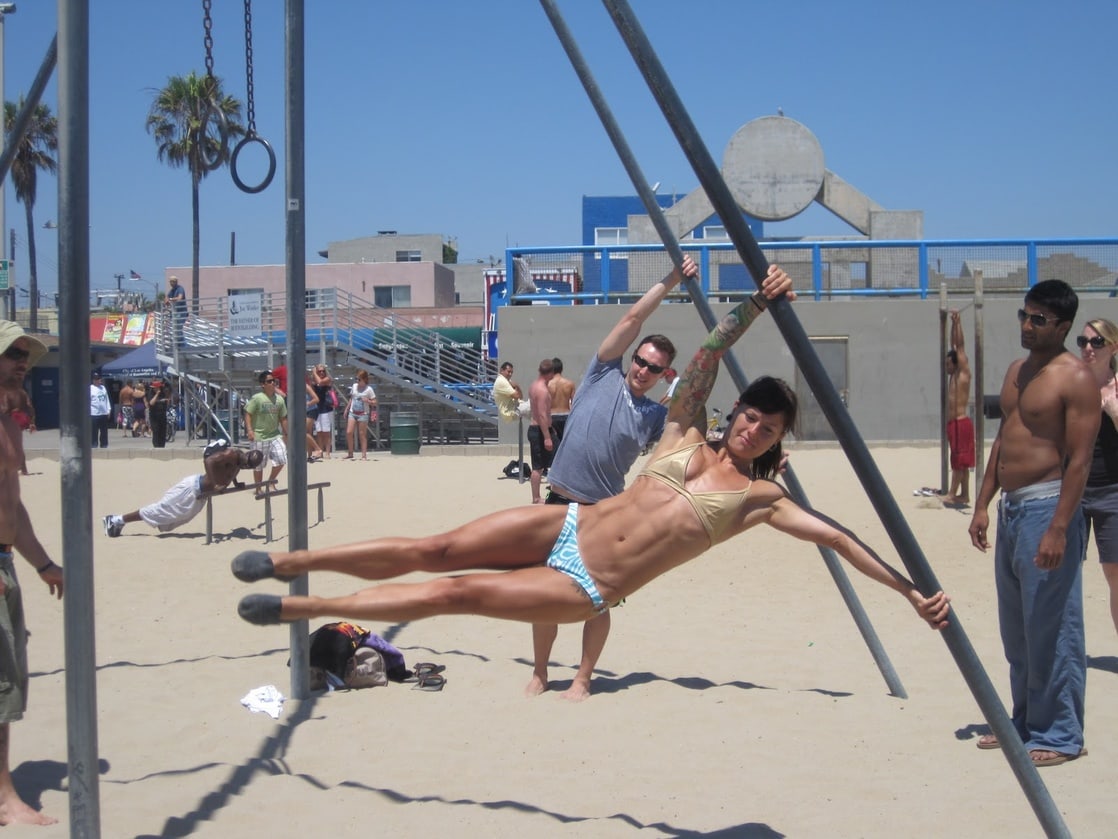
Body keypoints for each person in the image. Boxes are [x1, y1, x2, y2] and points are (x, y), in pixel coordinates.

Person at [232, 291, 951, 648]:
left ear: (776, 440)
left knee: (454, 592)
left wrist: (913, 591)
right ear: (735, 413)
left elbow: (839, 538)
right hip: (568, 521)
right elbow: (706, 354)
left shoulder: (760, 499)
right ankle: (290, 562)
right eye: (750, 416)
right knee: (438, 547)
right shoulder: (682, 432)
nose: (752, 429)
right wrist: (756, 304)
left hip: (588, 582)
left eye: (767, 428)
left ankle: (303, 609)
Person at [527, 256, 788, 700]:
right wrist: (672, 280)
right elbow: (632, 318)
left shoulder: (653, 415)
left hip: (602, 512)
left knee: (596, 599)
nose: (643, 370)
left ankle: (583, 678)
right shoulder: (602, 374)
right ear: (631, 358)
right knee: (542, 594)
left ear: (664, 374)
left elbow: (698, 442)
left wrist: (759, 455)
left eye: (654, 368)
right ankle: (539, 672)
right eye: (641, 361)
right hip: (557, 501)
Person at [968, 280, 1098, 767]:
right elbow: (1004, 439)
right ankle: (1023, 723)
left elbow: (1080, 459)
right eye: (1024, 314)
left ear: (1062, 326)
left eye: (1039, 319)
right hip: (1012, 509)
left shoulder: (1076, 378)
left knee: (1053, 627)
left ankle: (1061, 733)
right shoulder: (1016, 371)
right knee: (1018, 631)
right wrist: (983, 503)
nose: (1027, 325)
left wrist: (1060, 528)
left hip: (1048, 507)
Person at [0, 322, 63, 826]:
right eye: (12, 353)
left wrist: (43, 564)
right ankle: (5, 797)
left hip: (5, 560)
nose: (22, 362)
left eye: (26, 355)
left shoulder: (10, 421)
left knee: (7, 684)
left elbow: (12, 508)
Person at [102, 440, 264, 537]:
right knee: (160, 510)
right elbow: (209, 461)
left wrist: (236, 483)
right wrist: (215, 484)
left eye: (248, 467)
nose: (245, 467)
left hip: (201, 495)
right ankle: (116, 519)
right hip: (192, 489)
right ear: (247, 455)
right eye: (246, 464)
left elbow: (230, 472)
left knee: (173, 519)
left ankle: (118, 522)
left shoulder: (240, 462)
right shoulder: (231, 454)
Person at [1077, 317, 1118, 637]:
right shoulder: (1073, 383)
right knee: (1062, 572)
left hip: (1112, 492)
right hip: (1073, 491)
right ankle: (1064, 652)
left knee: (1115, 574)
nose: (1088, 348)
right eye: (1083, 342)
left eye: (1097, 342)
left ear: (1113, 347)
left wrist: (1113, 411)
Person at [243, 370, 290, 498]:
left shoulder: (279, 400)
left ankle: (270, 482)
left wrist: (287, 433)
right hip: (259, 436)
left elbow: (283, 418)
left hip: (275, 435)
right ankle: (258, 488)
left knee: (281, 458)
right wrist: (250, 430)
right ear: (263, 384)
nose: (273, 383)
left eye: (274, 381)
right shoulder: (257, 398)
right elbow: (248, 414)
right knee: (258, 464)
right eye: (269, 381)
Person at [945, 310, 975, 505]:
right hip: (953, 423)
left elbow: (959, 347)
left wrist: (959, 322)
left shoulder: (962, 373)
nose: (946, 367)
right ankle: (964, 494)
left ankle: (951, 493)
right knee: (961, 461)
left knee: (959, 461)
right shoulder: (953, 376)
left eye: (949, 364)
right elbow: (953, 346)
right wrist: (953, 324)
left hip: (960, 423)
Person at [527, 359, 557, 503]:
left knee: (546, 464)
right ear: (550, 373)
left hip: (539, 429)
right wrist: (547, 437)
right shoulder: (542, 390)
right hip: (540, 431)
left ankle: (540, 496)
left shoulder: (534, 386)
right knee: (538, 467)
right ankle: (537, 497)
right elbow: (542, 415)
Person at [344, 370, 377, 460]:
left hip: (363, 413)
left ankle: (364, 455)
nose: (357, 381)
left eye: (359, 379)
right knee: (349, 432)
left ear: (364, 379)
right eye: (356, 379)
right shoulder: (354, 386)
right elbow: (352, 398)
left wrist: (368, 401)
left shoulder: (369, 389)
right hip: (353, 412)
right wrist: (347, 408)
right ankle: (350, 453)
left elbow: (375, 402)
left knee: (362, 434)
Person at [547, 357, 576, 442]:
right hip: (566, 416)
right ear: (562, 369)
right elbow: (574, 403)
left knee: (554, 445)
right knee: (565, 444)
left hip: (552, 416)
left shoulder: (548, 384)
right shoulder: (570, 384)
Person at [311, 365, 336, 459]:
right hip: (317, 408)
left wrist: (314, 372)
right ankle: (320, 451)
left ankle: (328, 452)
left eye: (323, 371)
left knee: (326, 432)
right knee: (319, 432)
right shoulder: (313, 381)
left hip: (326, 408)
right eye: (319, 371)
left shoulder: (327, 379)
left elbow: (320, 382)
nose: (321, 373)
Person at [90, 371, 112, 449]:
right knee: (94, 431)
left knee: (104, 431)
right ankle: (94, 445)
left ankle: (104, 445)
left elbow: (107, 399)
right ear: (93, 380)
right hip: (94, 414)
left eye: (99, 378)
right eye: (97, 379)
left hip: (103, 413)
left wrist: (108, 409)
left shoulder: (103, 388)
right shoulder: (90, 388)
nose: (99, 380)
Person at [147, 379, 171, 449]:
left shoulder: (163, 393)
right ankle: (156, 446)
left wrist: (167, 401)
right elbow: (151, 403)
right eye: (154, 388)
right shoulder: (151, 394)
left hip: (162, 415)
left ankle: (162, 446)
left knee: (162, 432)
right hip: (154, 416)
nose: (154, 389)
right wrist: (157, 394)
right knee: (156, 431)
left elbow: (167, 401)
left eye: (156, 388)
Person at [166, 274, 187, 347]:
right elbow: (166, 297)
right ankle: (178, 343)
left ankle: (182, 345)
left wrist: (171, 299)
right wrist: (167, 300)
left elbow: (180, 298)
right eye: (170, 281)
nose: (171, 283)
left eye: (173, 281)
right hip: (175, 312)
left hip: (181, 312)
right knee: (175, 328)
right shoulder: (172, 290)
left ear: (176, 282)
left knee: (178, 328)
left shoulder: (180, 288)